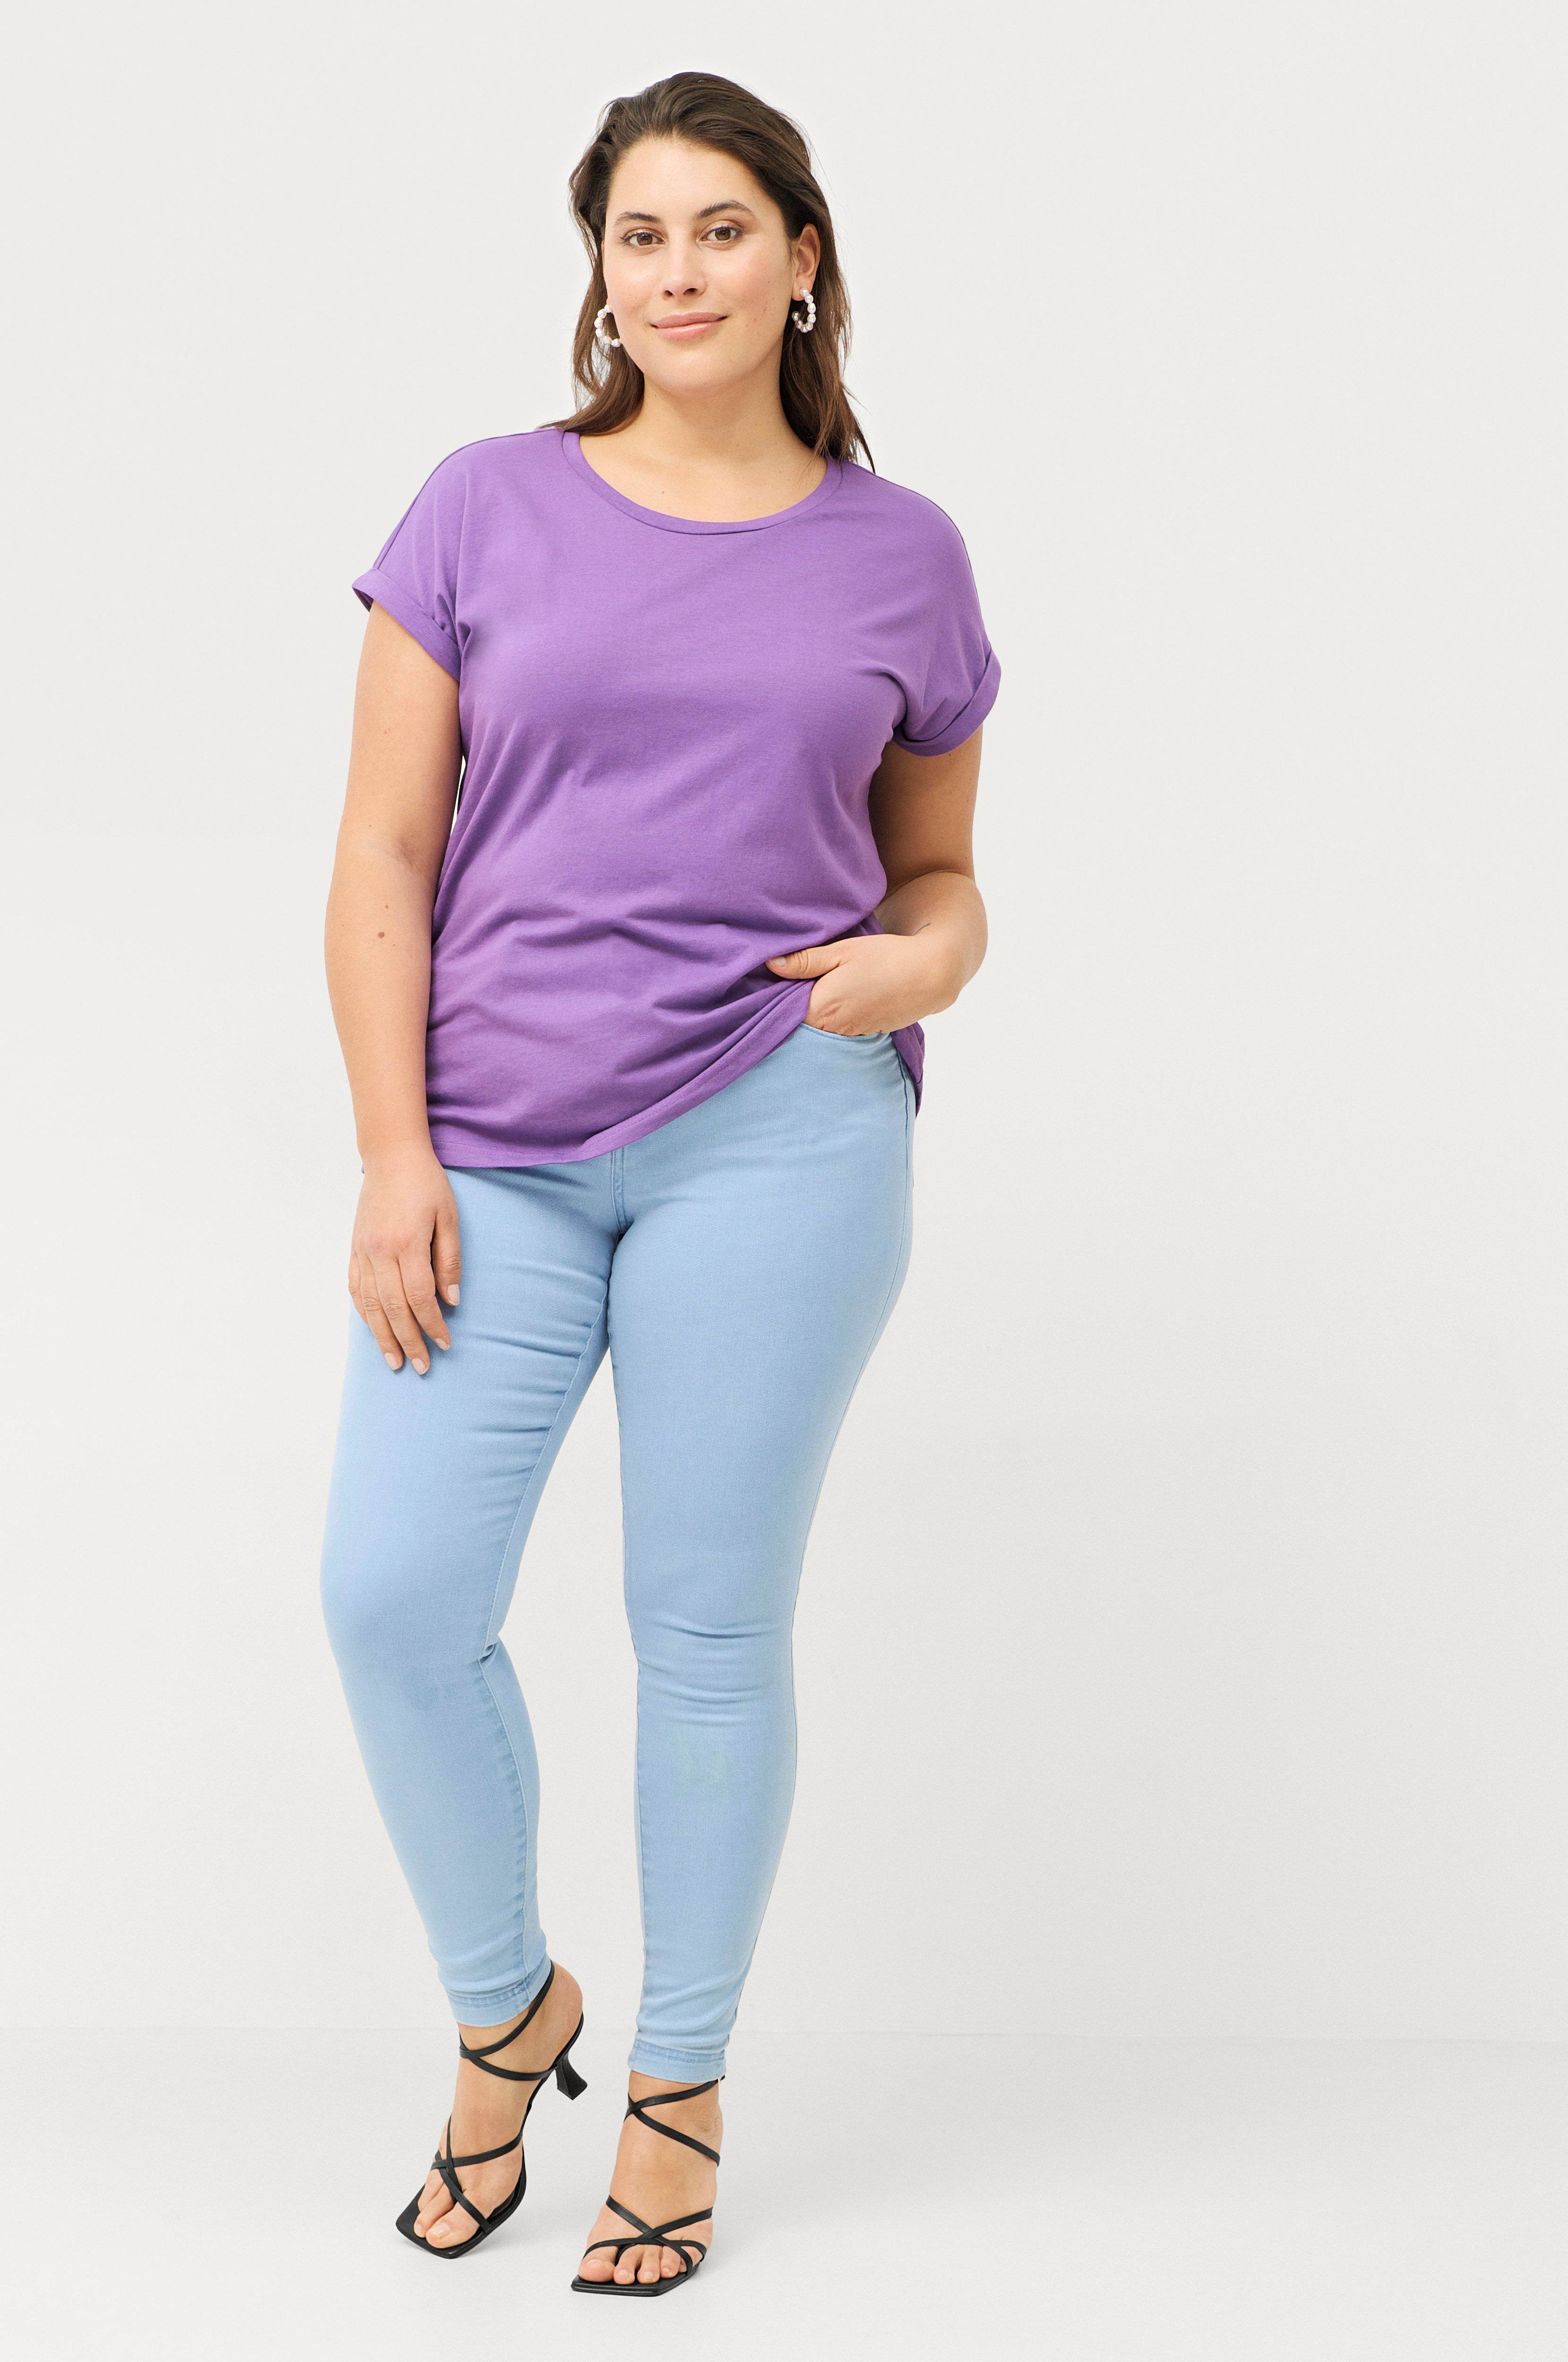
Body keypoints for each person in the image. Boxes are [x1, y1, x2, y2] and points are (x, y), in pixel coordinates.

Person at [318, 68, 999, 2296]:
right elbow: (382, 853)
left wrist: (909, 966)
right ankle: (508, 2009)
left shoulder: (900, 553)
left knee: (702, 1627)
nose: (677, 270)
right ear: (598, 272)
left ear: (800, 258)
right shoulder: (484, 503)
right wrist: (393, 1150)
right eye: (638, 233)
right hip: (489, 1153)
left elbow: (940, 880)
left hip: (776, 1131)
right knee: (392, 1596)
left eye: (721, 228)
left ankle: (679, 2086)